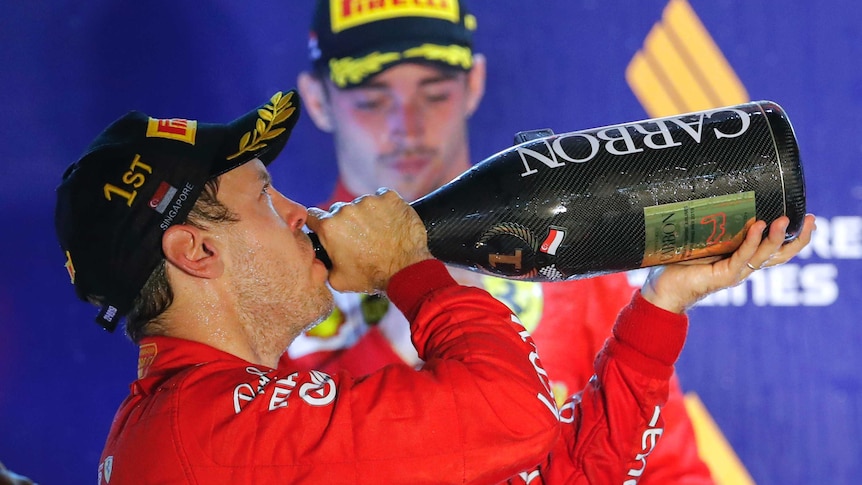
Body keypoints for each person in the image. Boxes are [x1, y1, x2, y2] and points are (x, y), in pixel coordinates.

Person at [54, 88, 815, 483]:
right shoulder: (211, 434)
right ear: (194, 250)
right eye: (267, 199)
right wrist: (407, 265)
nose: (302, 212)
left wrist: (662, 302)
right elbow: (512, 416)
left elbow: (554, 469)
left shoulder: (221, 418)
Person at [293, 1, 710, 482]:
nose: (405, 126)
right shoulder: (279, 270)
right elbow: (267, 463)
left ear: (473, 84)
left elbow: (667, 470)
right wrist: (411, 298)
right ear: (318, 100)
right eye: (371, 100)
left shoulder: (561, 246)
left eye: (434, 94)